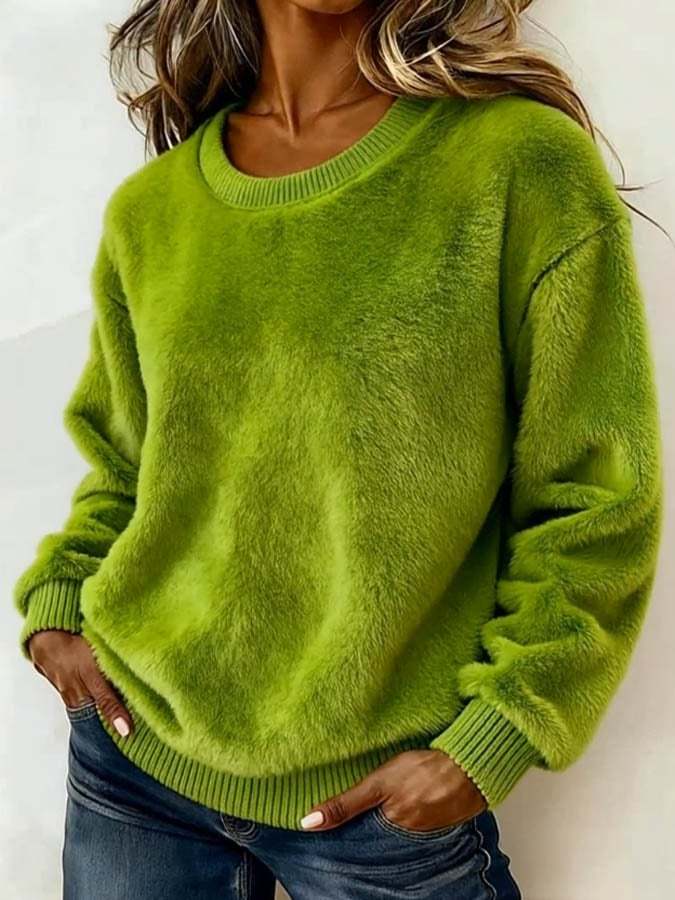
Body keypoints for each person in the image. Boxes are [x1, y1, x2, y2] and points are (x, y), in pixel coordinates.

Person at [14, 0, 664, 897]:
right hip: (134, 770)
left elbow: (594, 492)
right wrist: (58, 606)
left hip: (377, 809)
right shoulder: (155, 210)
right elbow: (130, 464)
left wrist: (500, 732)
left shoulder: (516, 165)